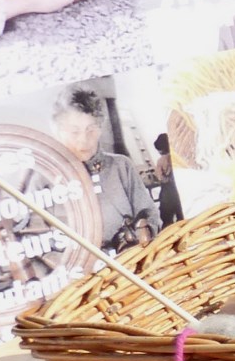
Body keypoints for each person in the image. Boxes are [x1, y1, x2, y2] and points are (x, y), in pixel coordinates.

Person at [52, 87, 159, 254]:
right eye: (74, 131)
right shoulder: (46, 179)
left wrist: (145, 227)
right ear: (59, 132)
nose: (84, 139)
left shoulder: (121, 166)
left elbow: (149, 211)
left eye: (91, 129)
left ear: (100, 128)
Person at [151, 133, 183, 227]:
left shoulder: (161, 160)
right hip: (179, 188)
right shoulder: (177, 156)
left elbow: (160, 177)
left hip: (168, 191)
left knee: (166, 218)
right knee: (181, 215)